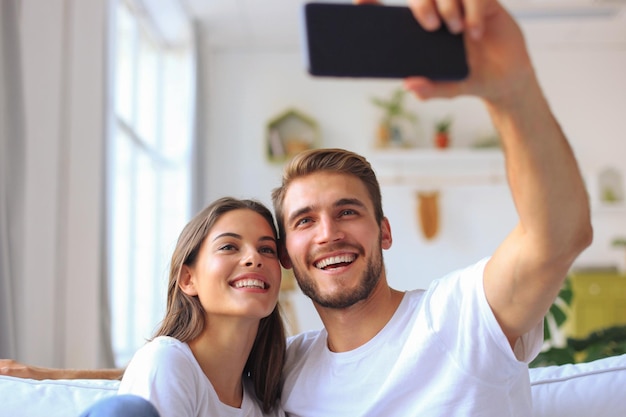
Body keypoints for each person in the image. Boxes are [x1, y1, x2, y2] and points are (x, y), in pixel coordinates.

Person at [2, 0, 593, 414]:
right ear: (289, 255)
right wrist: (50, 379)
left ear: (384, 231)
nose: (329, 232)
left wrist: (509, 88)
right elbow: (194, 377)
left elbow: (557, 235)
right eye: (305, 221)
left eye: (348, 212)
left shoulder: (462, 317)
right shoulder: (290, 370)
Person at [81, 197, 287, 416]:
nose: (254, 258)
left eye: (266, 249)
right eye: (228, 247)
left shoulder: (268, 405)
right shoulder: (166, 361)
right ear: (188, 279)